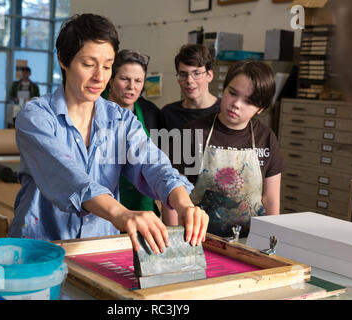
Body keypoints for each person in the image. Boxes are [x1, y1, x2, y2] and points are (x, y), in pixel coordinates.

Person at [9, 14, 209, 254]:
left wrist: (184, 204)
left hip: (98, 250)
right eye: (88, 64)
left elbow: (152, 164)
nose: (100, 77)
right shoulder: (37, 117)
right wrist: (121, 214)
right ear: (63, 60)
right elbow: (68, 177)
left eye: (107, 66)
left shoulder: (120, 120)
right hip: (40, 250)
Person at [165, 60, 283, 238]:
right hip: (198, 240)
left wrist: (273, 242)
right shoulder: (191, 133)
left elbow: (270, 200)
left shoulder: (265, 138)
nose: (236, 104)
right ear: (224, 89)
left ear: (261, 109)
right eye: (232, 93)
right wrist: (173, 243)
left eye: (248, 101)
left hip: (251, 242)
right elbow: (171, 194)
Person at [102, 49, 161, 215]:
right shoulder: (93, 109)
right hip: (100, 206)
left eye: (138, 81)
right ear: (111, 80)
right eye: (124, 79)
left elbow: (157, 162)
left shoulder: (151, 113)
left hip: (141, 207)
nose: (132, 87)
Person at [159, 44, 220, 131]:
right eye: (183, 74)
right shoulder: (168, 114)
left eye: (196, 73)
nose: (189, 80)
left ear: (209, 75)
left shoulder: (223, 111)